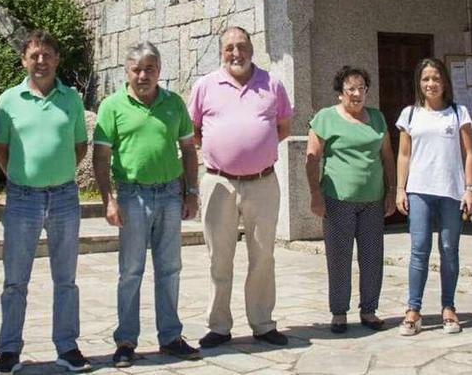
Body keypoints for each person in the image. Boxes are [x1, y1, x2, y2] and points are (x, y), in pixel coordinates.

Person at [92, 43, 201, 367]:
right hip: (131, 195)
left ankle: (170, 337)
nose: (143, 75)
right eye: (137, 69)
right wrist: (108, 199)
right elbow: (101, 157)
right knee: (130, 271)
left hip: (169, 194)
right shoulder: (112, 106)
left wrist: (191, 192)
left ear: (159, 71)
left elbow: (189, 151)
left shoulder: (174, 104)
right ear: (127, 72)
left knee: (170, 269)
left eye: (150, 69)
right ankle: (126, 340)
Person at [0, 31, 89, 374]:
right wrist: (23, 176)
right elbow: (0, 149)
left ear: (57, 59)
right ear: (24, 60)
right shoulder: (8, 100)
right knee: (15, 279)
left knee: (66, 278)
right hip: (22, 199)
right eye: (34, 56)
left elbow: (80, 146)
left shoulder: (71, 99)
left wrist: (55, 172)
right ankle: (9, 350)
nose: (41, 62)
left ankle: (67, 346)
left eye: (47, 55)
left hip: (64, 197)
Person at [188, 26, 293, 348]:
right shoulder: (205, 85)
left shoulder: (272, 84)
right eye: (230, 48)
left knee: (263, 256)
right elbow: (193, 131)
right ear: (221, 52)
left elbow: (283, 127)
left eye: (242, 46)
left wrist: (254, 150)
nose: (236, 53)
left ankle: (262, 323)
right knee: (219, 257)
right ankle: (218, 326)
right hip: (218, 182)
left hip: (262, 182)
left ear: (252, 49)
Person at [305, 66, 396, 334]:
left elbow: (388, 156)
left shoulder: (377, 119)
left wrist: (392, 191)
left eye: (362, 89)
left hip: (372, 200)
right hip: (337, 199)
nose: (357, 94)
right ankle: (339, 312)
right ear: (340, 94)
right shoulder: (325, 118)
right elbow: (312, 158)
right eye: (351, 89)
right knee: (339, 257)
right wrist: (315, 194)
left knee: (372, 256)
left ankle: (369, 310)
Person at [394, 58, 472, 336]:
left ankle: (449, 308)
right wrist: (400, 188)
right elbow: (404, 154)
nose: (431, 84)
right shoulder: (410, 114)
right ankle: (413, 310)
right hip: (419, 191)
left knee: (449, 250)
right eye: (426, 78)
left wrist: (470, 188)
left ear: (445, 82)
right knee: (419, 250)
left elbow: (469, 154)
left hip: (451, 191)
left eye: (436, 78)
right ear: (419, 82)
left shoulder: (458, 112)